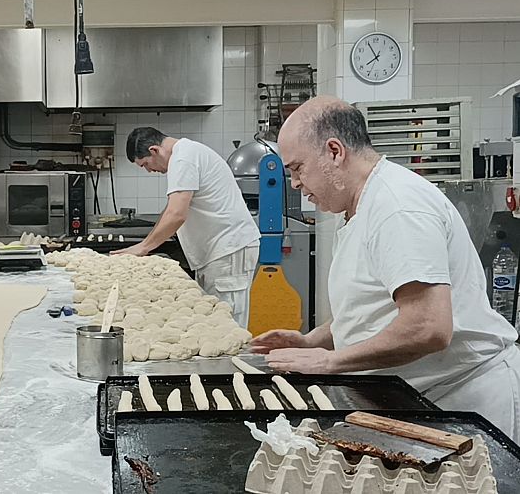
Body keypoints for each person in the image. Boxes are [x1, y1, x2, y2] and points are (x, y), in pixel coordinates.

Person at [251, 96, 520, 441]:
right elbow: (374, 306)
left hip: (461, 404)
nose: (296, 183)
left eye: (298, 168)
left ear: (335, 152)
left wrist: (330, 361)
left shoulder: (397, 207)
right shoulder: (361, 206)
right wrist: (310, 341)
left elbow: (428, 327)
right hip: (416, 399)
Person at [112, 127, 260, 327]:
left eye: (146, 164)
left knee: (226, 324)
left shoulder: (183, 159)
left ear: (155, 150)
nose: (149, 170)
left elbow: (177, 214)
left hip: (228, 250)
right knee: (212, 320)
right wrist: (145, 243)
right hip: (219, 251)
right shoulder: (186, 154)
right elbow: (170, 210)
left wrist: (143, 248)